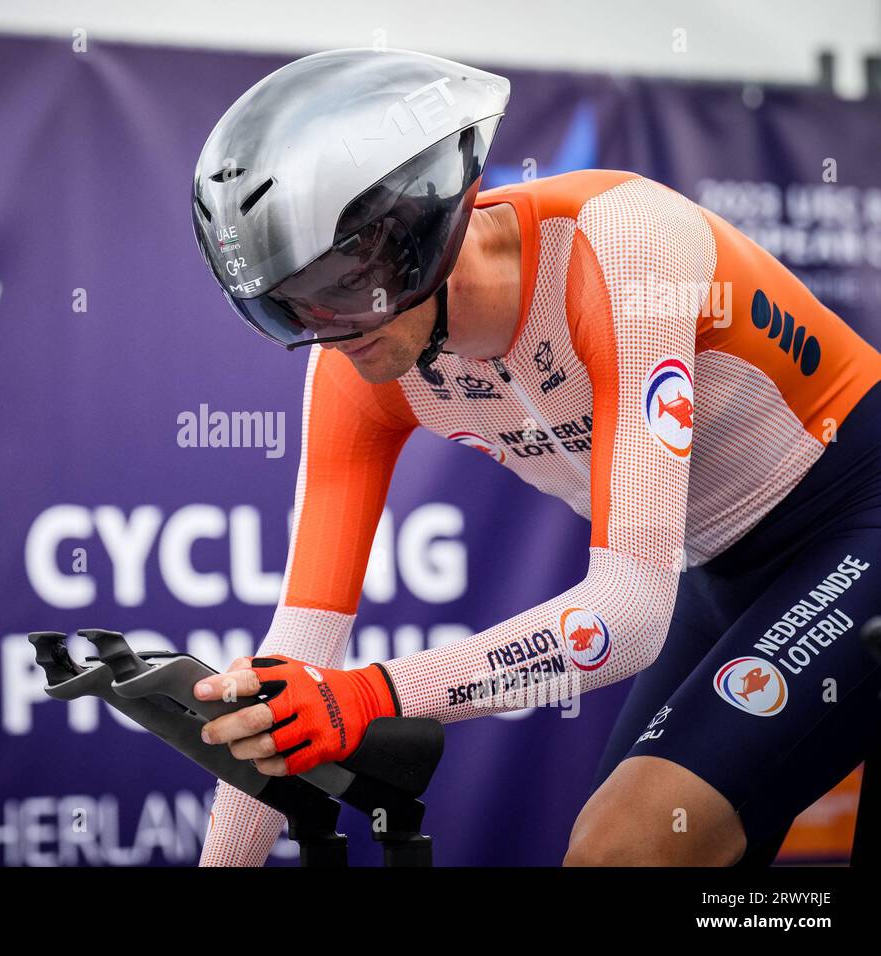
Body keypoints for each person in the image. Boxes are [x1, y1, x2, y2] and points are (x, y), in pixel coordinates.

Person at [189, 48, 881, 867]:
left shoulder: (621, 247)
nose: (326, 329)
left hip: (856, 517)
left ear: (417, 224)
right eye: (285, 306)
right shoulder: (355, 360)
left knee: (627, 846)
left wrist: (371, 698)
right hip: (719, 565)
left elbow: (623, 618)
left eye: (338, 284)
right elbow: (299, 653)